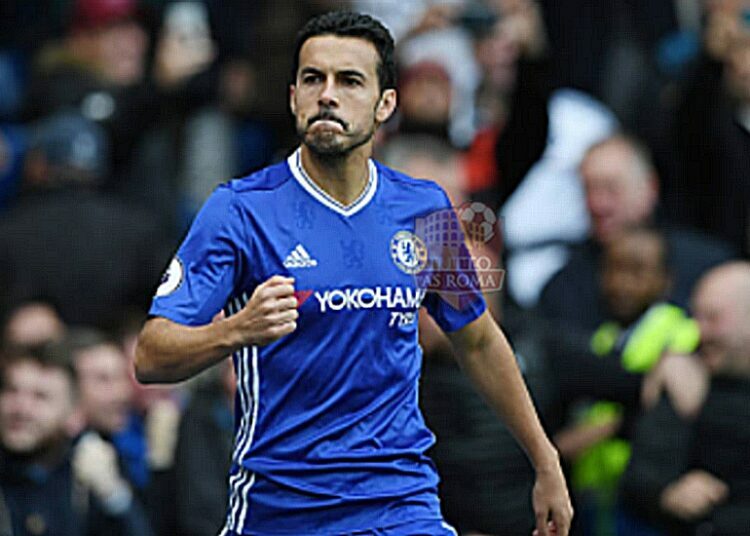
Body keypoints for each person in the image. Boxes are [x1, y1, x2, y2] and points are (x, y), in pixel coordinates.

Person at [135, 11, 572, 536]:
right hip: (282, 511)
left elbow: (477, 341)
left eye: (349, 81)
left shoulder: (424, 209)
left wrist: (545, 459)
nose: (327, 95)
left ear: (385, 104)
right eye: (313, 79)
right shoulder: (240, 211)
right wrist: (235, 330)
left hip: (401, 506)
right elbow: (150, 355)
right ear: (293, 96)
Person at [620, 261, 750, 535]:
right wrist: (667, 493)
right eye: (696, 317)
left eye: (713, 318)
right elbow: (640, 476)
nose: (699, 331)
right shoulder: (685, 379)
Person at [0, 343, 153, 536]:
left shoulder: (89, 470)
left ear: (74, 414)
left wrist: (114, 497)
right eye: (11, 391)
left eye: (40, 397)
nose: (21, 408)